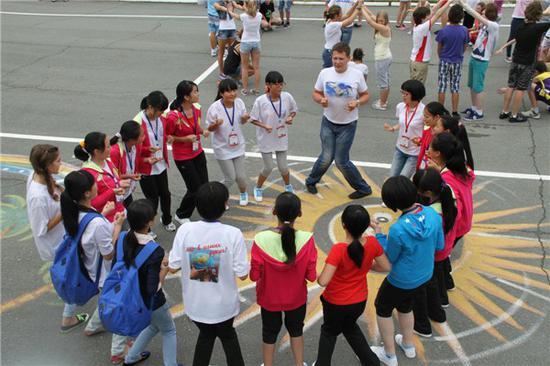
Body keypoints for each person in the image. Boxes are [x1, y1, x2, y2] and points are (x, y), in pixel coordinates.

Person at [168, 182, 249, 366]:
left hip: (196, 306)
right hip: (224, 306)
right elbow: (243, 274)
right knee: (229, 338)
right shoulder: (233, 234)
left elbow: (173, 266)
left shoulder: (185, 230)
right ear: (224, 206)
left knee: (205, 337)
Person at [370, 176, 444, 366]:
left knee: (383, 307)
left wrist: (378, 234)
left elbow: (389, 258)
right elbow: (439, 245)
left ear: (392, 203)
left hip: (401, 279)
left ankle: (389, 354)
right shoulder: (433, 214)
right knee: (406, 306)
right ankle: (408, 344)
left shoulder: (398, 229)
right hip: (424, 275)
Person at [60, 170, 127, 364]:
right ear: (87, 193)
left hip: (88, 268)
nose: (98, 184)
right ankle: (118, 351)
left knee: (107, 301)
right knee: (118, 307)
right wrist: (116, 226)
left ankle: (93, 326)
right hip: (104, 273)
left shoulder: (76, 212)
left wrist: (103, 214)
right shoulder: (96, 223)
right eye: (94, 183)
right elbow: (109, 253)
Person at [315, 205, 390, 366]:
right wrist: (368, 265)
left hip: (335, 302)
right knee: (349, 327)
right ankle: (371, 361)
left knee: (329, 332)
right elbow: (386, 267)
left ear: (343, 225)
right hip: (359, 300)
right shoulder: (372, 243)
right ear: (366, 225)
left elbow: (323, 281)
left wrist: (315, 274)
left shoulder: (339, 250)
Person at [26, 144, 90, 332]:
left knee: (74, 272)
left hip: (64, 238)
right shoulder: (37, 197)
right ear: (46, 166)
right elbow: (41, 228)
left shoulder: (42, 178)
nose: (61, 163)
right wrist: (65, 209)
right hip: (57, 245)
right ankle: (68, 318)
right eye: (57, 161)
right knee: (72, 275)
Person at [250, 192, 317, 366]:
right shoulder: (307, 240)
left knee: (269, 333)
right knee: (296, 331)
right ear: (299, 214)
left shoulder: (260, 239)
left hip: (269, 298)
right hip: (296, 299)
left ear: (274, 212)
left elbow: (254, 275)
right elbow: (311, 276)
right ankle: (299, 363)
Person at [306, 42, 373, 199]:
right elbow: (316, 93)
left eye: (341, 59)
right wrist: (320, 99)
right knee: (326, 157)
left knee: (341, 161)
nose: (337, 62)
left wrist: (357, 103)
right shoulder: (325, 73)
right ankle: (311, 181)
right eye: (335, 58)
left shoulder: (356, 75)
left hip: (348, 124)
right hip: (328, 121)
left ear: (348, 59)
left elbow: (365, 95)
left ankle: (363, 188)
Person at [120, 199, 180, 366]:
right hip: (151, 300)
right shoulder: (154, 250)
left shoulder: (124, 237)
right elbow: (152, 288)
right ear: (149, 222)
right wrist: (165, 268)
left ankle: (131, 357)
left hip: (131, 295)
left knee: (154, 326)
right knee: (168, 329)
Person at [412, 168, 458, 336]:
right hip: (446, 245)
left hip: (434, 251)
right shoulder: (448, 192)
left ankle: (432, 315)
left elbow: (424, 237)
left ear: (428, 193)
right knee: (439, 274)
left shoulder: (432, 214)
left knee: (428, 284)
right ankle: (441, 304)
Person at [427, 132, 475, 293]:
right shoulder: (461, 168)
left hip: (455, 223)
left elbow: (454, 207)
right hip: (464, 220)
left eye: (430, 148)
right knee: (445, 256)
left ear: (438, 153)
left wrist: (439, 174)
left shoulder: (446, 179)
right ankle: (448, 283)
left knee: (440, 258)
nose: (427, 150)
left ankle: (442, 294)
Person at [166, 80, 209, 224]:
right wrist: (184, 139)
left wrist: (204, 131)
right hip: (183, 157)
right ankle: (182, 214)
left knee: (204, 184)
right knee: (194, 188)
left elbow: (195, 128)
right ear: (186, 97)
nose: (198, 94)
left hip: (198, 152)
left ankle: (204, 209)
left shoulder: (196, 110)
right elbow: (167, 137)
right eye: (195, 92)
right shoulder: (173, 116)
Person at [498, 2, 550, 122]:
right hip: (527, 63)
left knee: (511, 86)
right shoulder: (538, 28)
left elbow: (515, 39)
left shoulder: (520, 26)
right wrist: (545, 13)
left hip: (515, 60)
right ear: (538, 15)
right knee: (521, 89)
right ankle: (514, 115)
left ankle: (504, 112)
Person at [250, 71, 298, 201]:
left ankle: (288, 186)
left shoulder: (287, 97)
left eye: (281, 84)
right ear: (268, 85)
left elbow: (294, 111)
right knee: (268, 166)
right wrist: (264, 126)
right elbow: (253, 119)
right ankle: (258, 188)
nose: (279, 87)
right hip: (266, 138)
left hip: (281, 137)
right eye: (276, 84)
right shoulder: (260, 101)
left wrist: (290, 117)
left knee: (283, 166)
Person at [135, 91, 176, 232]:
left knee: (165, 194)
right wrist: (147, 151)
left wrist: (168, 137)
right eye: (159, 110)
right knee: (152, 199)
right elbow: (133, 148)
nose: (161, 113)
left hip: (160, 163)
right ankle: (148, 228)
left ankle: (167, 219)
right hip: (146, 166)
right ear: (150, 106)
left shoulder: (161, 117)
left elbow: (162, 134)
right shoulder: (138, 122)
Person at [206, 79, 251, 206]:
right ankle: (217, 195)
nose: (232, 94)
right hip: (222, 148)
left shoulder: (239, 103)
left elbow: (242, 121)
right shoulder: (214, 108)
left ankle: (243, 193)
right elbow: (209, 129)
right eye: (228, 91)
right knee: (230, 178)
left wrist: (244, 118)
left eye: (234, 90)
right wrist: (215, 125)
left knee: (241, 177)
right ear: (221, 93)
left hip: (238, 145)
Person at [75, 132, 129, 223]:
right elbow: (91, 203)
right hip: (107, 221)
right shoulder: (87, 173)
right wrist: (112, 191)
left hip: (120, 212)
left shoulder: (107, 161)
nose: (110, 148)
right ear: (97, 151)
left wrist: (119, 184)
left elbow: (114, 179)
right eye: (108, 146)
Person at [460, 1, 499, 121]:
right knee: (472, 85)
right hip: (475, 57)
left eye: (483, 13)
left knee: (478, 87)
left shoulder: (493, 25)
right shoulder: (485, 25)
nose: (481, 14)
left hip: (482, 60)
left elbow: (474, 14)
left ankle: (479, 111)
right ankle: (474, 107)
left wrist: (464, 5)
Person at [384, 79, 426, 178]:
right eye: (402, 93)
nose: (403, 96)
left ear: (415, 95)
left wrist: (421, 141)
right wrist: (393, 128)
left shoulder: (424, 111)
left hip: (414, 153)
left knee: (403, 179)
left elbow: (429, 131)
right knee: (392, 177)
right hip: (400, 149)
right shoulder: (400, 106)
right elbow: (402, 123)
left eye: (406, 94)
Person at [436, 4, 469, 116]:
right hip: (457, 61)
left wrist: (442, 56)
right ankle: (454, 111)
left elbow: (439, 48)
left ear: (449, 15)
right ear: (461, 17)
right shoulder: (464, 30)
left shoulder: (444, 31)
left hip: (445, 60)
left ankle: (440, 110)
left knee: (442, 86)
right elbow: (464, 46)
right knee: (455, 87)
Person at [409, 0, 452, 84]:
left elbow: (433, 11)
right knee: (417, 87)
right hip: (420, 63)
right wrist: (449, 2)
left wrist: (443, 1)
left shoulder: (418, 25)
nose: (430, 16)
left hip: (416, 61)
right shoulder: (423, 28)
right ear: (423, 18)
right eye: (428, 16)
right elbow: (437, 14)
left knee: (414, 85)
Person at [229, 0, 263, 95]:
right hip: (256, 42)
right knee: (256, 68)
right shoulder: (259, 15)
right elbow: (249, 10)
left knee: (244, 67)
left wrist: (229, 10)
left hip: (246, 42)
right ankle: (256, 90)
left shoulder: (243, 16)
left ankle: (245, 89)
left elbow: (234, 15)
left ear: (246, 5)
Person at [361, 7, 392, 111]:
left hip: (382, 58)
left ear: (386, 20)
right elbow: (371, 15)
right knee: (386, 80)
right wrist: (363, 5)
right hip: (385, 57)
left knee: (383, 82)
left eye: (382, 21)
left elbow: (369, 21)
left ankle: (382, 104)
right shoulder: (384, 26)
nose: (379, 22)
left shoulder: (384, 28)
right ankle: (384, 100)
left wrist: (360, 8)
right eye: (378, 20)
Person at [109, 121, 144, 208]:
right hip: (118, 192)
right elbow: (112, 177)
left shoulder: (135, 146)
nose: (144, 137)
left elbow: (137, 160)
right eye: (142, 136)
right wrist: (130, 176)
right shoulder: (115, 152)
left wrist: (147, 160)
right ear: (132, 140)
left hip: (127, 190)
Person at [322, 4, 360, 68]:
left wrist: (356, 5)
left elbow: (347, 15)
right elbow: (349, 21)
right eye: (341, 12)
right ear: (336, 15)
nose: (342, 14)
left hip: (331, 51)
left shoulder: (331, 20)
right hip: (330, 53)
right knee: (330, 75)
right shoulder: (333, 25)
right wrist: (358, 9)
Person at [415, 101, 449, 170]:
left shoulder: (442, 138)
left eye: (427, 117)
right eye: (424, 115)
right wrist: (420, 141)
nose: (424, 119)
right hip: (422, 167)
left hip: (432, 171)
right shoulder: (427, 130)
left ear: (437, 117)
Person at [214, 0, 241, 79]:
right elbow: (219, 7)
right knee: (221, 51)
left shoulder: (232, 2)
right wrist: (227, 9)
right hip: (222, 29)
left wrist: (246, 8)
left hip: (232, 29)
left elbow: (238, 6)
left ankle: (231, 72)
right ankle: (221, 72)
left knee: (232, 52)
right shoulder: (218, 2)